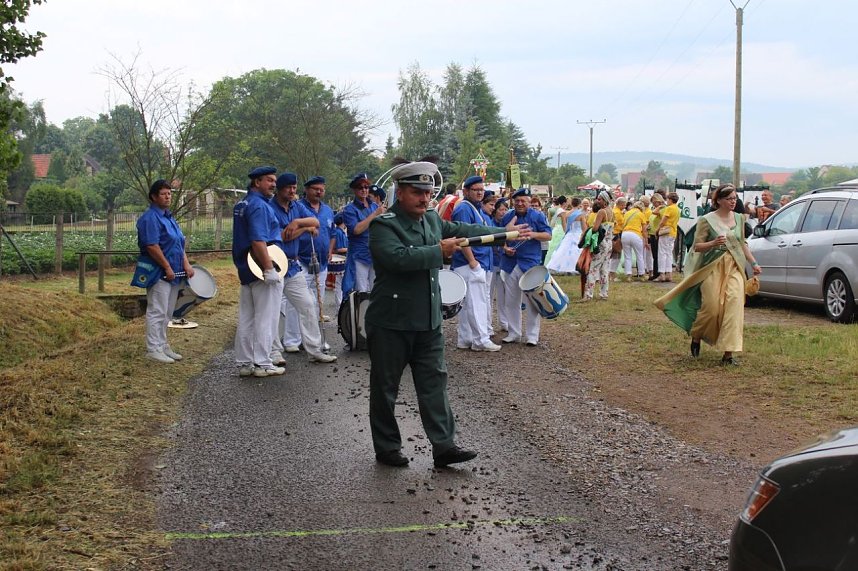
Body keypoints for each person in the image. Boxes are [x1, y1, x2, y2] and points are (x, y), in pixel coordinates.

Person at [366, 161, 529, 468]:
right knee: (386, 388)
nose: (425, 199)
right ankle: (387, 447)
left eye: (428, 193)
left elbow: (464, 230)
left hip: (427, 321)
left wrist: (503, 232)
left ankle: (444, 445)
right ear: (400, 193)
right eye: (417, 192)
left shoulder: (431, 219)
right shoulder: (384, 225)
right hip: (392, 322)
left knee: (434, 384)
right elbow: (397, 258)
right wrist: (437, 252)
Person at [655, 184, 762, 365]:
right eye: (729, 199)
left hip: (734, 267)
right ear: (718, 200)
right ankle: (697, 335)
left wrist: (754, 263)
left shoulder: (739, 218)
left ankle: (728, 355)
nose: (733, 202)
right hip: (711, 268)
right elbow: (697, 246)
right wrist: (712, 243)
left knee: (734, 306)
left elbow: (742, 243)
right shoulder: (706, 220)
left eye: (735, 198)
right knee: (712, 308)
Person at [269, 173, 337, 364]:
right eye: (288, 187)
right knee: (273, 311)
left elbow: (315, 222)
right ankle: (274, 352)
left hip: (292, 265)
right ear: (279, 189)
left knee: (308, 305)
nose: (292, 191)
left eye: (294, 187)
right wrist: (305, 229)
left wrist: (297, 222)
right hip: (275, 264)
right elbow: (283, 236)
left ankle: (314, 350)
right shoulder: (270, 208)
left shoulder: (296, 206)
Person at [232, 166, 286, 377]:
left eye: (274, 180)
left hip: (246, 267)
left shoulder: (242, 204)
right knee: (266, 316)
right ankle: (263, 363)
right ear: (257, 182)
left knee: (247, 317)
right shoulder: (259, 206)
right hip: (261, 266)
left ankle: (245, 362)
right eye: (269, 180)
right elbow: (258, 239)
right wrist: (269, 268)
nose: (273, 184)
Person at [136, 179, 194, 364]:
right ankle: (153, 348)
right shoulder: (150, 218)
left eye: (169, 193)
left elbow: (179, 243)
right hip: (159, 272)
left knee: (167, 312)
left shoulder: (169, 217)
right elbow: (152, 246)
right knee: (157, 310)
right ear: (153, 197)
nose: (168, 196)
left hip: (174, 272)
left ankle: (162, 345)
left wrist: (186, 264)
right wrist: (167, 267)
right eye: (163, 193)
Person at [451, 175, 500, 352]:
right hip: (470, 262)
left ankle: (466, 338)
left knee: (468, 304)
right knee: (476, 302)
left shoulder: (476, 208)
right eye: (476, 190)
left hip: (477, 261)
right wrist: (472, 262)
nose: (480, 193)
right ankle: (481, 339)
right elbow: (462, 236)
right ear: (466, 191)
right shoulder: (464, 208)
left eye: (481, 190)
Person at [500, 188, 553, 346]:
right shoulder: (508, 216)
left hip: (529, 262)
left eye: (523, 201)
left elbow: (548, 235)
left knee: (532, 301)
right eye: (517, 201)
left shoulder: (537, 216)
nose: (520, 203)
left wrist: (533, 235)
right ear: (513, 202)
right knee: (511, 300)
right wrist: (504, 248)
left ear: (529, 202)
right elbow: (500, 235)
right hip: (510, 263)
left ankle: (532, 336)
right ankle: (514, 333)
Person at [342, 173, 384, 292]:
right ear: (354, 190)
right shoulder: (349, 209)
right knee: (361, 291)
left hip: (374, 253)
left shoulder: (374, 206)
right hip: (359, 255)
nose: (364, 190)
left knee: (375, 289)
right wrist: (375, 215)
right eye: (360, 187)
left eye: (366, 187)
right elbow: (356, 230)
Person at [580, 190, 616, 301]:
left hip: (601, 242)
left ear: (605, 200)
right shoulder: (612, 211)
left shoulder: (601, 212)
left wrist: (590, 231)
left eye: (599, 199)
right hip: (609, 242)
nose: (597, 201)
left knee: (593, 268)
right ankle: (604, 293)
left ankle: (588, 295)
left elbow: (595, 228)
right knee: (604, 269)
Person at [546, 197, 584, 275]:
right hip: (577, 234)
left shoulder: (567, 213)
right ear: (580, 204)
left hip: (569, 234)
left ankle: (560, 267)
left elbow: (565, 224)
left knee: (564, 251)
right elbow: (584, 228)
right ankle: (577, 266)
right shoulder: (581, 214)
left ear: (571, 204)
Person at [490, 198, 511, 334]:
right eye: (500, 209)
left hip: (503, 263)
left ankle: (504, 321)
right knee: (489, 294)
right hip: (492, 263)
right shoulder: (491, 224)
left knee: (504, 294)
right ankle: (488, 323)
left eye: (505, 209)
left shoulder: (509, 224)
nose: (503, 212)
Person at [655, 192, 680, 282]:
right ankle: (669, 274)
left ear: (670, 200)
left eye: (667, 199)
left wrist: (657, 230)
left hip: (665, 232)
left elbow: (663, 221)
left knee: (662, 253)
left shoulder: (669, 208)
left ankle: (662, 274)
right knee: (669, 253)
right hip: (673, 232)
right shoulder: (677, 209)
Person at [620, 201, 648, 280]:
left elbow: (623, 224)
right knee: (639, 255)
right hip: (636, 234)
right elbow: (644, 230)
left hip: (625, 234)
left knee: (627, 256)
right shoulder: (641, 214)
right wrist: (645, 240)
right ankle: (642, 275)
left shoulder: (627, 213)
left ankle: (628, 275)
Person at [330, 213, 348, 308]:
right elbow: (339, 249)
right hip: (340, 259)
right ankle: (339, 305)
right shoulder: (339, 232)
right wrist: (350, 248)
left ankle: (340, 304)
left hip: (342, 259)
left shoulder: (340, 232)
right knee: (339, 283)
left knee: (339, 283)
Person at [544, 196, 568, 265]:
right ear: (564, 203)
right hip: (561, 229)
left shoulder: (558, 209)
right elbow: (564, 222)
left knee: (554, 246)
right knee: (560, 246)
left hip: (556, 228)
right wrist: (566, 232)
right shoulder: (562, 211)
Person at [647, 193, 665, 280]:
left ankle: (657, 272)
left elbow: (654, 213)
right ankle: (655, 272)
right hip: (652, 233)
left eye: (654, 202)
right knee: (654, 254)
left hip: (657, 233)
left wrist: (659, 206)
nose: (653, 204)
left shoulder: (662, 208)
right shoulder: (656, 208)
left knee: (657, 254)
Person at [608, 197, 627, 282]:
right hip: (616, 235)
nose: (625, 206)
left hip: (612, 234)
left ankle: (609, 274)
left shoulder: (613, 210)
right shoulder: (618, 212)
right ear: (620, 204)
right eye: (624, 204)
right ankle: (612, 275)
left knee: (611, 255)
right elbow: (623, 223)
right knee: (616, 255)